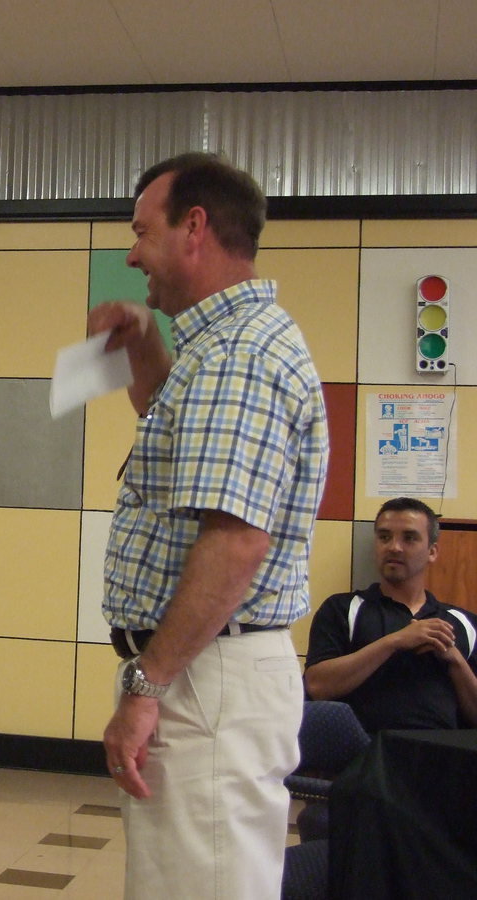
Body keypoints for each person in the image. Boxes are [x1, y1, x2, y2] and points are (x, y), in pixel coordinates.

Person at [89, 152, 329, 900]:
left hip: (205, 677)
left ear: (194, 227)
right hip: (207, 672)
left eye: (140, 231)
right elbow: (185, 453)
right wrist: (143, 346)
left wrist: (146, 683)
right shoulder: (211, 345)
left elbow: (235, 542)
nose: (130, 255)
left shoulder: (238, 356)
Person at [305, 497, 477, 731]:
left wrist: (455, 661)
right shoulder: (343, 609)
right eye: (384, 537)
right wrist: (395, 641)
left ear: (432, 551)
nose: (394, 547)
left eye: (409, 538)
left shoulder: (463, 623)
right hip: (368, 756)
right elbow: (317, 687)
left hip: (444, 756)